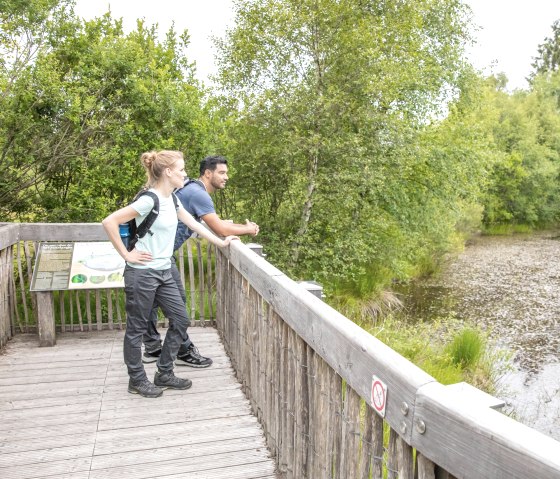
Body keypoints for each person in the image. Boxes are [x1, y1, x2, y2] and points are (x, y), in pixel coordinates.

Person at [102, 150, 238, 398]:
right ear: (168, 172)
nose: (186, 175)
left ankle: (164, 372)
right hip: (142, 273)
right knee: (137, 328)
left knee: (181, 319)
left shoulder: (173, 200)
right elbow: (109, 221)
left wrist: (222, 242)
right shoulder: (149, 200)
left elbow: (196, 224)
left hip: (164, 271)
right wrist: (127, 255)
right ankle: (137, 380)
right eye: (182, 170)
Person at [142, 155, 260, 366]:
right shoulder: (198, 193)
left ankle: (152, 347)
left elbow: (204, 222)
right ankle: (183, 351)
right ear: (208, 173)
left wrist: (226, 230)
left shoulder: (188, 187)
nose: (226, 177)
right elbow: (219, 229)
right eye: (222, 173)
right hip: (158, 255)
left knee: (151, 302)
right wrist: (248, 229)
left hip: (152, 253)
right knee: (178, 305)